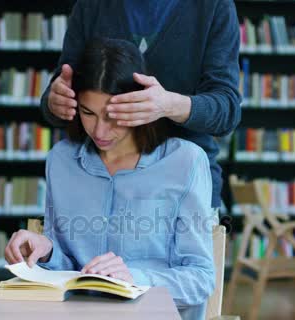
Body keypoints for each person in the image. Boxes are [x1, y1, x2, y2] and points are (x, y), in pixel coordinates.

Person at [5, 38, 215, 320]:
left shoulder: (186, 162)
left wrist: (135, 277)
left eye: (113, 115)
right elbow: (69, 266)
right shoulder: (61, 161)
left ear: (140, 103)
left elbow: (201, 279)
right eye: (88, 113)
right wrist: (47, 251)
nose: (99, 130)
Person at [41, 0, 242, 213]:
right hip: (97, 184)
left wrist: (168, 105)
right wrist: (56, 101)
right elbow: (63, 90)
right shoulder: (90, 6)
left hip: (182, 190)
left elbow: (227, 111)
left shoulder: (214, 7)